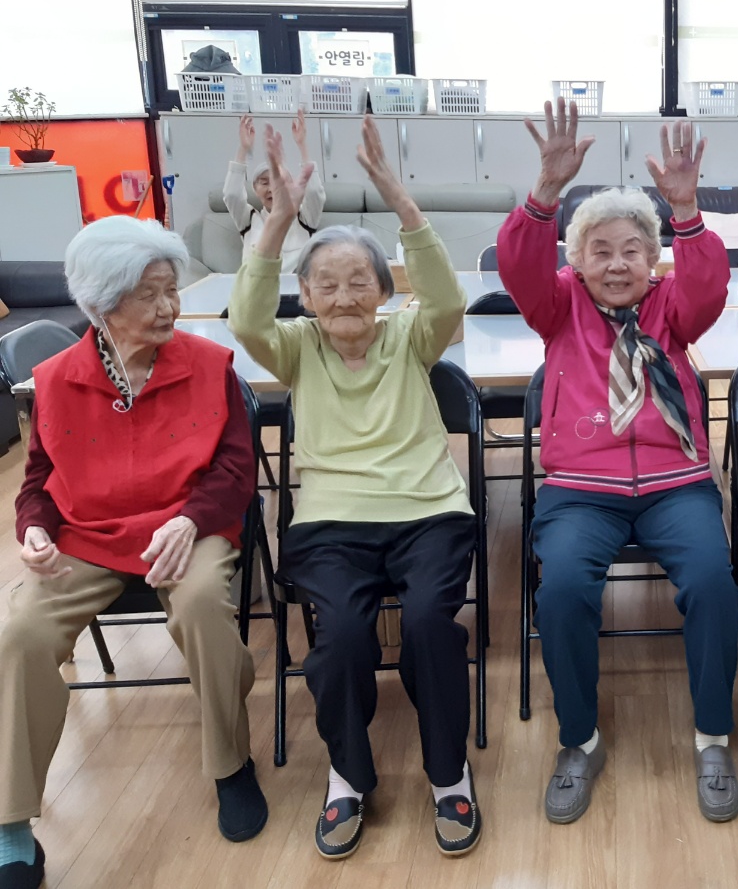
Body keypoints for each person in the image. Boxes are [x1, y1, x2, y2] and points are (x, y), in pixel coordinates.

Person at [228, 117, 479, 860]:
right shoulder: (295, 348)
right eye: (326, 285)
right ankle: (348, 773)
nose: (343, 297)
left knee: (431, 624)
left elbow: (446, 303)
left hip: (428, 512)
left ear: (383, 290)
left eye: (358, 281)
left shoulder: (410, 337)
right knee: (337, 640)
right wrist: (278, 222)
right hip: (332, 524)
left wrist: (402, 202)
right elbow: (247, 317)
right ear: (305, 296)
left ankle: (449, 771)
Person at [497, 98, 738, 825]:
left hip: (676, 484)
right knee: (562, 590)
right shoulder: (556, 306)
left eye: (631, 249)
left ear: (652, 258)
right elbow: (518, 264)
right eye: (599, 250)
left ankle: (712, 736)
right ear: (575, 261)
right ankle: (579, 740)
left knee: (713, 581)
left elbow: (708, 288)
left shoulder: (672, 306)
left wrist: (686, 211)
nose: (615, 263)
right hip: (580, 488)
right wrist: (545, 191)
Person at [1, 217, 265, 889]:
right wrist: (33, 530)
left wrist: (191, 519)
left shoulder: (209, 365)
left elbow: (236, 470)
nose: (168, 306)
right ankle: (10, 821)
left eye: (170, 289)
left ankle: (231, 764)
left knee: (202, 606)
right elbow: (38, 481)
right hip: (87, 535)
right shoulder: (56, 379)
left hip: (186, 527)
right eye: (148, 294)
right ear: (102, 302)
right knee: (20, 632)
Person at [223, 108, 326, 272]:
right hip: (257, 286)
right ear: (255, 189)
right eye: (264, 183)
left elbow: (315, 193)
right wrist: (243, 148)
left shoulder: (304, 218)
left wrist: (302, 145)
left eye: (279, 183)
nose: (272, 189)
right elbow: (232, 195)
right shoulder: (249, 219)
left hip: (295, 286)